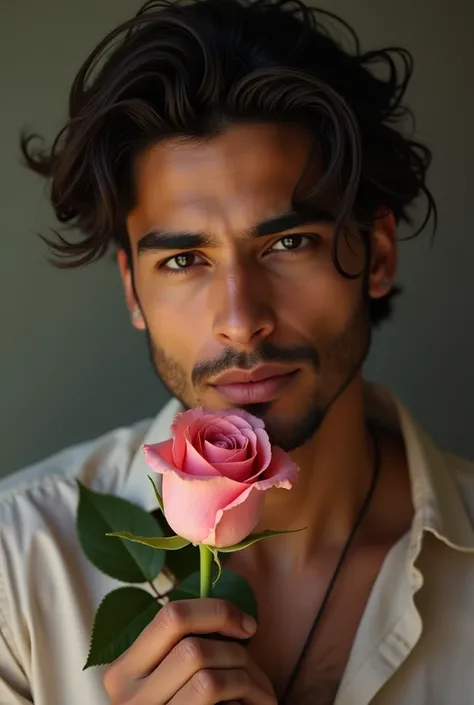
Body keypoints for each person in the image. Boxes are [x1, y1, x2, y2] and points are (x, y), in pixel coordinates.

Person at [1, 0, 473, 703]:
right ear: (133, 291)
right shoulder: (15, 570)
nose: (240, 320)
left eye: (289, 243)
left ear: (376, 253)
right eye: (185, 259)